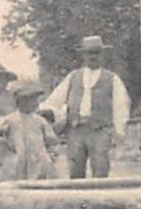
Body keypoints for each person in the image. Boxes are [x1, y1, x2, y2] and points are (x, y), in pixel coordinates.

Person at [43, 36, 131, 179]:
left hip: (100, 131)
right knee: (75, 171)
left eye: (96, 53)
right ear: (83, 55)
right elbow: (55, 100)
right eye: (89, 53)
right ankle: (77, 201)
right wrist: (48, 114)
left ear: (102, 55)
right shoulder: (73, 77)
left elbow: (120, 106)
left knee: (101, 169)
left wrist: (119, 131)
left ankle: (100, 199)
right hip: (75, 131)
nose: (93, 57)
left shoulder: (112, 78)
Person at [0, 83, 62, 182]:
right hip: (17, 164)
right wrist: (4, 144)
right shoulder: (11, 120)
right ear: (20, 102)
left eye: (35, 100)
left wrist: (49, 157)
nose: (34, 103)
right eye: (30, 100)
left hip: (39, 162)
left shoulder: (40, 121)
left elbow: (52, 142)